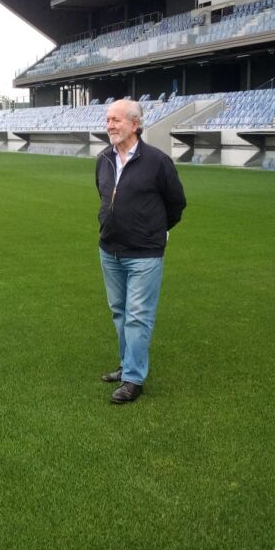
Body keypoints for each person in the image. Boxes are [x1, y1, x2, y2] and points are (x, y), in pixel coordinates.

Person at [96, 99, 186, 404]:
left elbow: (176, 205)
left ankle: (134, 379)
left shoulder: (157, 162)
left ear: (136, 124)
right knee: (119, 312)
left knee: (138, 317)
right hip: (110, 251)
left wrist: (154, 230)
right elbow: (105, 198)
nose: (110, 125)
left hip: (144, 254)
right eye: (108, 119)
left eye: (116, 120)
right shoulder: (104, 159)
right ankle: (126, 365)